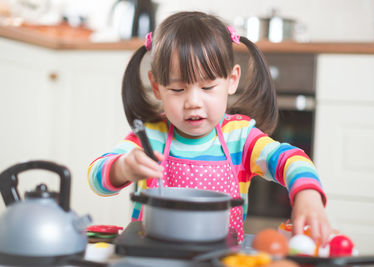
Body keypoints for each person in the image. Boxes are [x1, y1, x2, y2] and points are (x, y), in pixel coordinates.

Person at [88, 11, 331, 245]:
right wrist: (123, 168)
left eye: (207, 87)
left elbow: (291, 159)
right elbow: (96, 177)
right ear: (156, 86)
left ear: (232, 81)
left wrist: (307, 194)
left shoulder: (241, 137)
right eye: (177, 89)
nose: (193, 102)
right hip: (153, 256)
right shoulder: (150, 136)